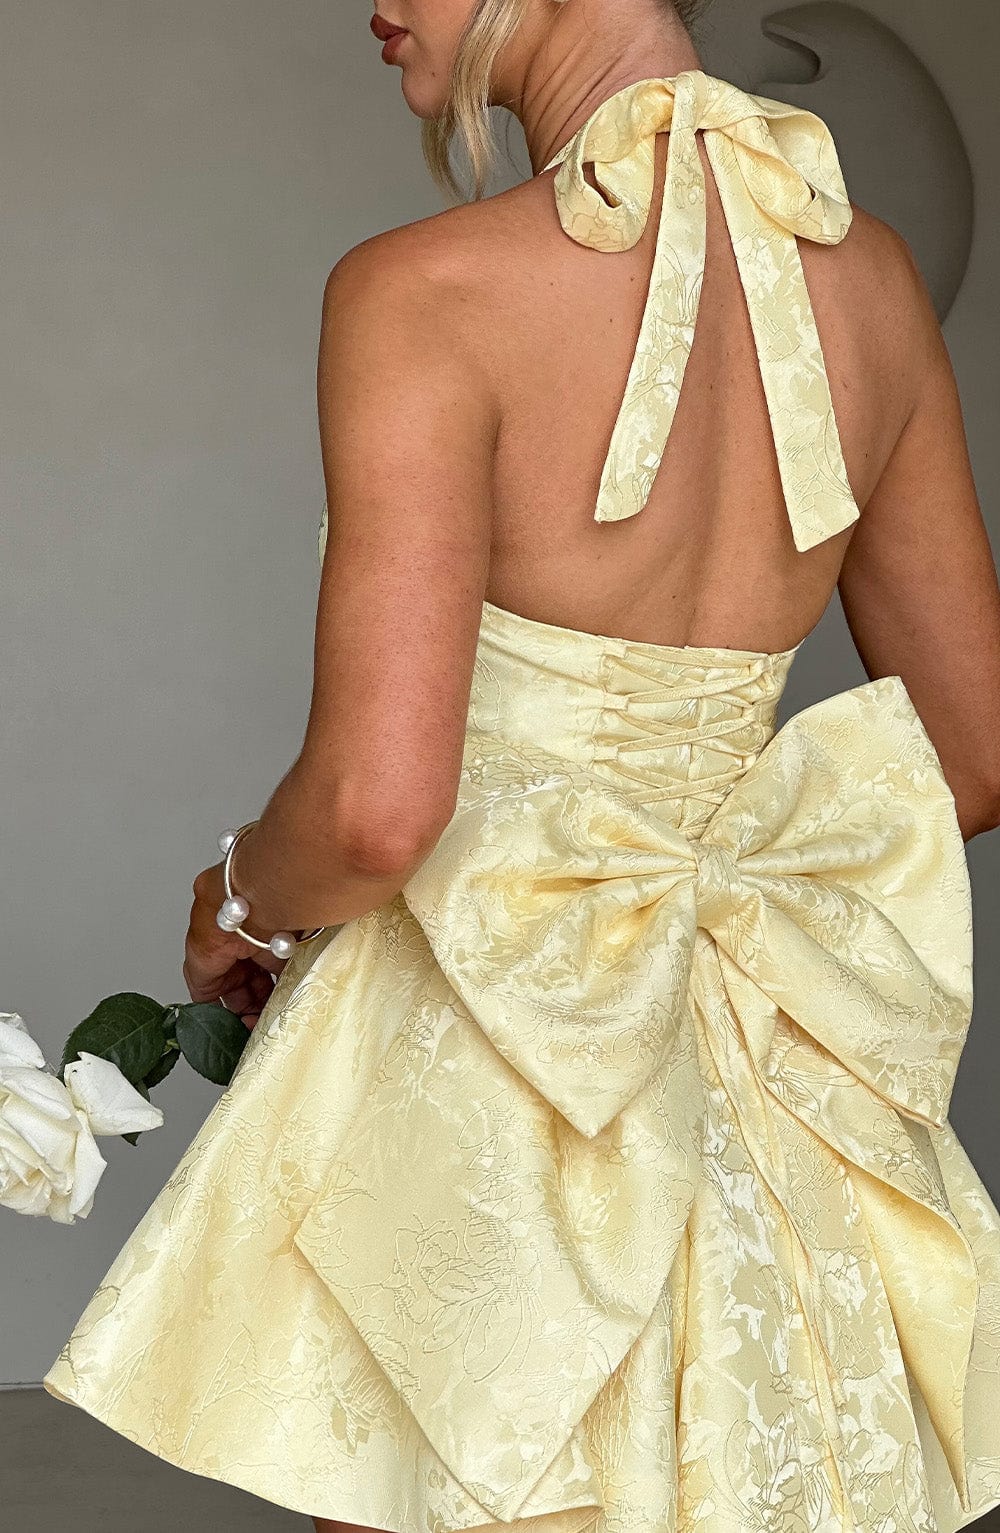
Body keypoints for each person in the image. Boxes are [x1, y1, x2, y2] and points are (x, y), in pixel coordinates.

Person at [43, 2, 1000, 1531]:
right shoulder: (872, 280)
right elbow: (975, 755)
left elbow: (377, 809)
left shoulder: (427, 293)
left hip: (473, 1085)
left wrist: (237, 898)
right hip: (762, 1072)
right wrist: (710, 866)